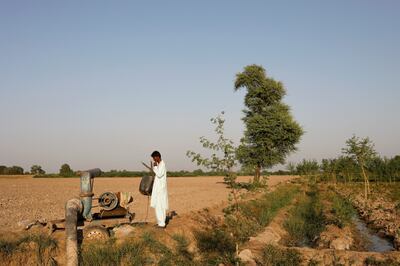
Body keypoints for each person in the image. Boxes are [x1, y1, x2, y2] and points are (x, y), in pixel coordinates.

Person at [150, 150, 169, 228]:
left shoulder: (162, 165)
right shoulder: (159, 165)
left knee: (160, 206)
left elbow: (159, 174)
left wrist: (154, 167)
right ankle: (160, 222)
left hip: (160, 189)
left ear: (157, 157)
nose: (154, 160)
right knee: (158, 206)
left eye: (154, 158)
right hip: (158, 189)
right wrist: (155, 167)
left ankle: (162, 224)